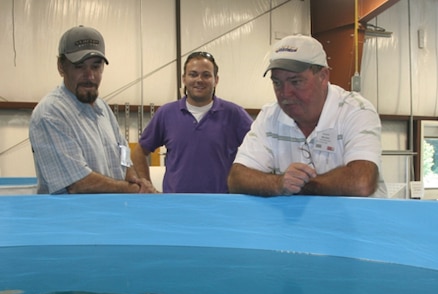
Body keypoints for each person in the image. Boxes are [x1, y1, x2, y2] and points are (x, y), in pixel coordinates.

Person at [228, 34, 387, 198]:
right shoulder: (270, 116)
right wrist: (279, 183)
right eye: (277, 83)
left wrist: (299, 185)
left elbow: (361, 182)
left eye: (296, 82)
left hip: (358, 222)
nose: (285, 93)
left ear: (323, 77)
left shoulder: (356, 111)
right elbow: (237, 178)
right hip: (302, 223)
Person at [29, 25, 157, 194]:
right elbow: (77, 183)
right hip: (72, 219)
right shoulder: (51, 114)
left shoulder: (103, 109)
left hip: (108, 216)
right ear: (61, 66)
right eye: (79, 66)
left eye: (96, 67)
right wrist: (133, 189)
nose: (90, 75)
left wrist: (134, 178)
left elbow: (124, 155)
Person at [131, 51, 253, 193]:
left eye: (206, 75)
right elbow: (138, 152)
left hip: (220, 207)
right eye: (193, 74)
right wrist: (147, 186)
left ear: (216, 80)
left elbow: (260, 150)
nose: (199, 80)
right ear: (184, 78)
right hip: (176, 207)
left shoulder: (234, 114)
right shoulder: (166, 114)